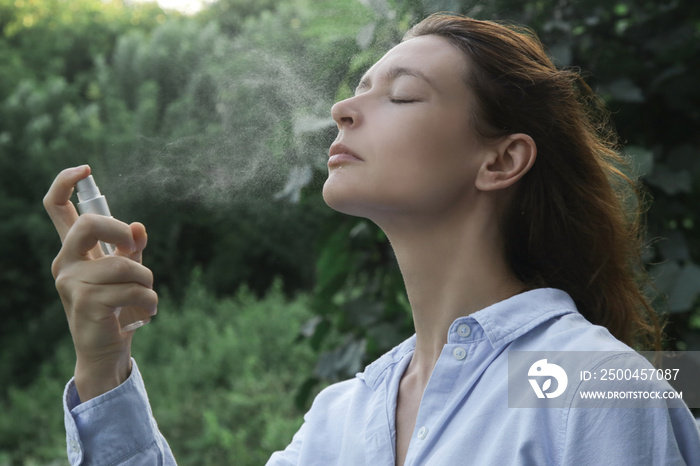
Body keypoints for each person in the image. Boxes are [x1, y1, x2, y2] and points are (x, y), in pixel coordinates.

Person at [45, 13, 700, 465]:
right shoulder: (344, 418)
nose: (343, 110)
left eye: (403, 95)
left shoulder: (591, 382)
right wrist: (104, 367)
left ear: (499, 161)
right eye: (359, 90)